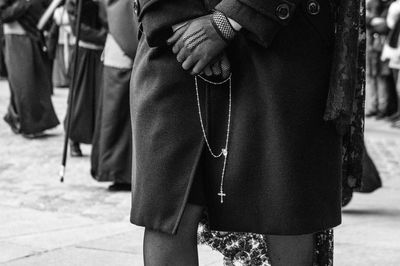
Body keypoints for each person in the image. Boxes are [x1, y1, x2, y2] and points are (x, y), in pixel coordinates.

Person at [130, 0, 363, 265]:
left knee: (284, 209)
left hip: (281, 39)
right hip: (173, 45)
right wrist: (177, 19)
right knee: (169, 211)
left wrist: (230, 19)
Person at [90, 0, 137, 191]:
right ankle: (119, 173)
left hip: (121, 50)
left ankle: (121, 172)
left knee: (118, 118)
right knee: (116, 118)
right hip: (122, 52)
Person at [1, 0, 59, 138]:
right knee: (24, 82)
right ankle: (26, 123)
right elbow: (4, 15)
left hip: (32, 36)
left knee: (35, 82)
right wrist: (25, 3)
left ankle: (16, 117)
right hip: (15, 38)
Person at [65, 0, 106, 156]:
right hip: (83, 53)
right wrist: (105, 36)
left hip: (103, 52)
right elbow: (77, 28)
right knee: (79, 100)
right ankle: (73, 138)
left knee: (100, 99)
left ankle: (100, 142)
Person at [365, 0, 395, 119]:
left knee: (382, 78)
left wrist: (373, 22)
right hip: (372, 47)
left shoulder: (390, 6)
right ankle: (372, 107)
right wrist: (374, 21)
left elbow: (386, 26)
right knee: (371, 77)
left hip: (382, 48)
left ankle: (382, 109)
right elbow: (365, 20)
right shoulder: (372, 4)